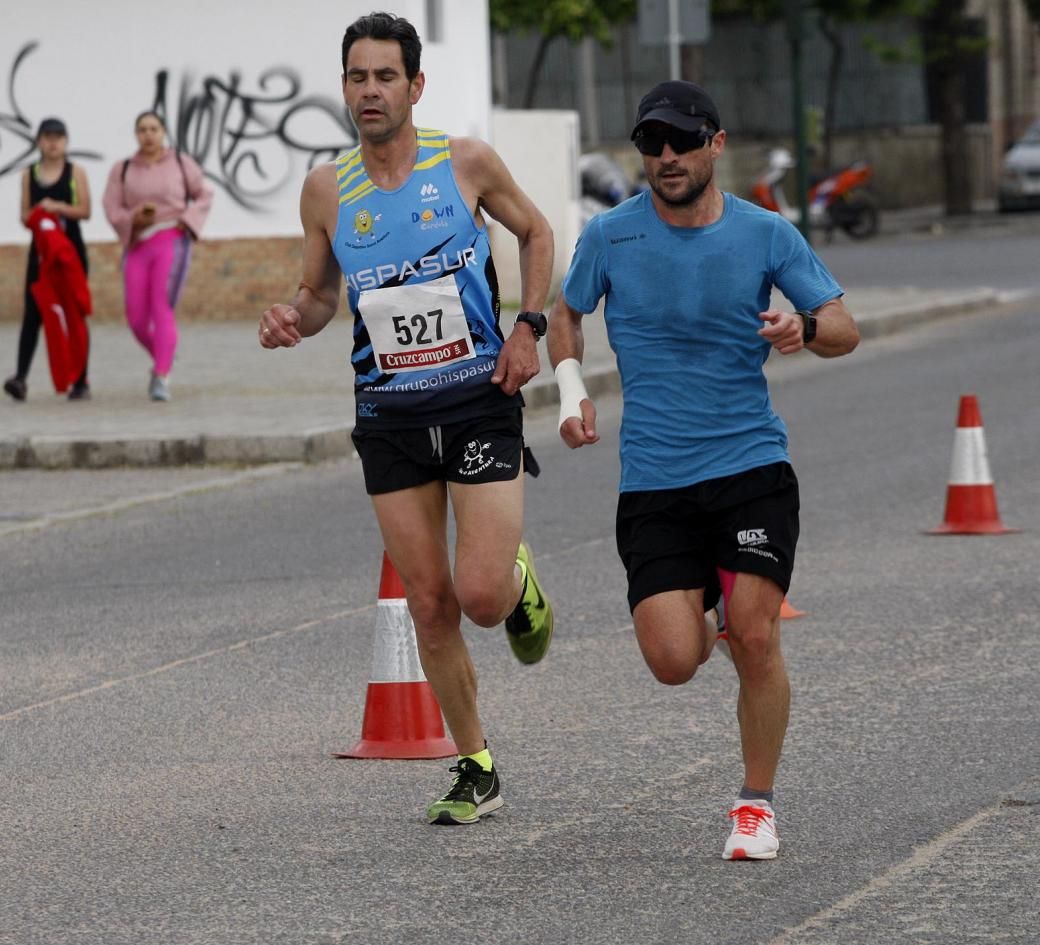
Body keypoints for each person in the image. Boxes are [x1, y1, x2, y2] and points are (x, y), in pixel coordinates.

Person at [547, 80, 860, 860]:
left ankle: (755, 805)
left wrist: (805, 324)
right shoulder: (611, 236)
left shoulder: (765, 233)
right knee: (672, 660)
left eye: (682, 141)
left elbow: (846, 327)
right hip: (653, 478)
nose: (666, 157)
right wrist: (571, 389)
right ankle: (718, 606)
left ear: (716, 144)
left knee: (754, 639)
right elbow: (566, 312)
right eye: (652, 143)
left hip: (749, 463)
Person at [259, 11, 556, 825]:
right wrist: (293, 316)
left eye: (385, 76)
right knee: (429, 603)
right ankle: (476, 763)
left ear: (415, 86)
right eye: (357, 77)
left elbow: (536, 231)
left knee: (482, 596)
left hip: (475, 401)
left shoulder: (462, 163)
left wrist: (528, 325)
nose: (370, 91)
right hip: (387, 413)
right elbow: (320, 293)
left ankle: (517, 579)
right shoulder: (328, 189)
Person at [103, 111, 213, 402]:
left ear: (163, 131)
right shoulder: (123, 169)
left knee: (160, 306)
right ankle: (164, 352)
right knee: (136, 318)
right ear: (136, 134)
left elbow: (204, 194)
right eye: (142, 129)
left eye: (154, 128)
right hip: (138, 243)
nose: (148, 134)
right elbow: (112, 208)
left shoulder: (180, 163)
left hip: (171, 238)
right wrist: (132, 218)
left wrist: (187, 220)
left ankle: (161, 374)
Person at [4, 117, 92, 401]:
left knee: (74, 312)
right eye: (47, 137)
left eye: (58, 137)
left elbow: (85, 210)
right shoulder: (30, 174)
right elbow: (24, 215)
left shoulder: (75, 172)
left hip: (70, 252)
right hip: (41, 254)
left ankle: (80, 379)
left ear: (66, 141)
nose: (53, 143)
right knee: (33, 313)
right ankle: (20, 377)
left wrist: (58, 208)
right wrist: (39, 215)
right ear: (39, 141)